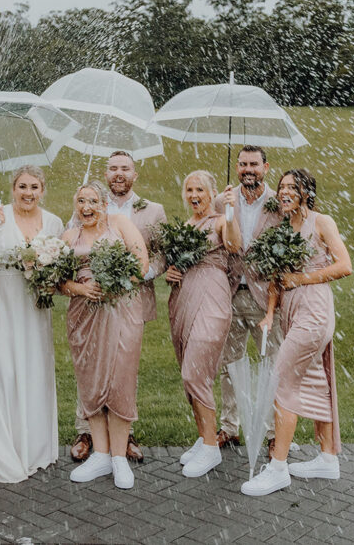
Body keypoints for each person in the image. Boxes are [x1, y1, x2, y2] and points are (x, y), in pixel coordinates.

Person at [241, 169, 352, 497]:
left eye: (292, 187)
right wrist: (270, 315)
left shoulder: (322, 222)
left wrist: (302, 279)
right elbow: (277, 278)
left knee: (281, 379)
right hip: (290, 312)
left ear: (306, 192)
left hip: (314, 312)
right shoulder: (281, 230)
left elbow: (345, 265)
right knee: (316, 378)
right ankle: (328, 458)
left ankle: (277, 468)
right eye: (282, 187)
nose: (284, 191)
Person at [0, 165, 63, 483]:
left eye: (34, 187)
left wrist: (46, 275)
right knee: (1, 368)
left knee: (32, 368)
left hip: (33, 304)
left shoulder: (54, 222)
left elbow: (60, 265)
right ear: (12, 188)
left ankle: (32, 447)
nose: (28, 193)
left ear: (43, 189)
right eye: (22, 186)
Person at [70, 150, 166, 465]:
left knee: (122, 372)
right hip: (87, 309)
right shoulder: (85, 212)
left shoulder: (151, 210)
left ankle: (124, 441)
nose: (118, 173)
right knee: (91, 370)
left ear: (134, 174)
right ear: (106, 173)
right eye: (112, 168)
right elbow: (64, 264)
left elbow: (159, 255)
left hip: (128, 304)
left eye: (124, 168)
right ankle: (88, 435)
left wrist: (140, 275)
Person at [60, 182, 149, 490]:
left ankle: (120, 457)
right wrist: (80, 288)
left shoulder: (120, 225)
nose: (87, 207)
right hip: (83, 317)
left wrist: (113, 281)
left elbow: (142, 264)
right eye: (81, 200)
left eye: (93, 201)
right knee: (91, 381)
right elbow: (59, 281)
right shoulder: (70, 236)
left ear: (105, 204)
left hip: (121, 311)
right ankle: (99, 454)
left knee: (120, 380)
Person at [165, 170, 242, 479]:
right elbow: (177, 263)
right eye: (189, 189)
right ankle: (203, 435)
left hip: (212, 296)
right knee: (190, 373)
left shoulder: (221, 221)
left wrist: (231, 211)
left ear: (212, 194)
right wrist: (172, 272)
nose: (194, 195)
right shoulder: (186, 227)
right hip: (183, 298)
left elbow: (234, 245)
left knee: (196, 370)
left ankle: (211, 448)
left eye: (200, 189)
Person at [212, 146, 284, 452]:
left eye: (254, 164)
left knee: (273, 364)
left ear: (266, 168)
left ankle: (272, 434)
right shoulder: (222, 200)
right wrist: (227, 211)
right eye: (242, 164)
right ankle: (230, 427)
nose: (247, 169)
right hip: (229, 293)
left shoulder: (278, 204)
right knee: (229, 363)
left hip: (266, 298)